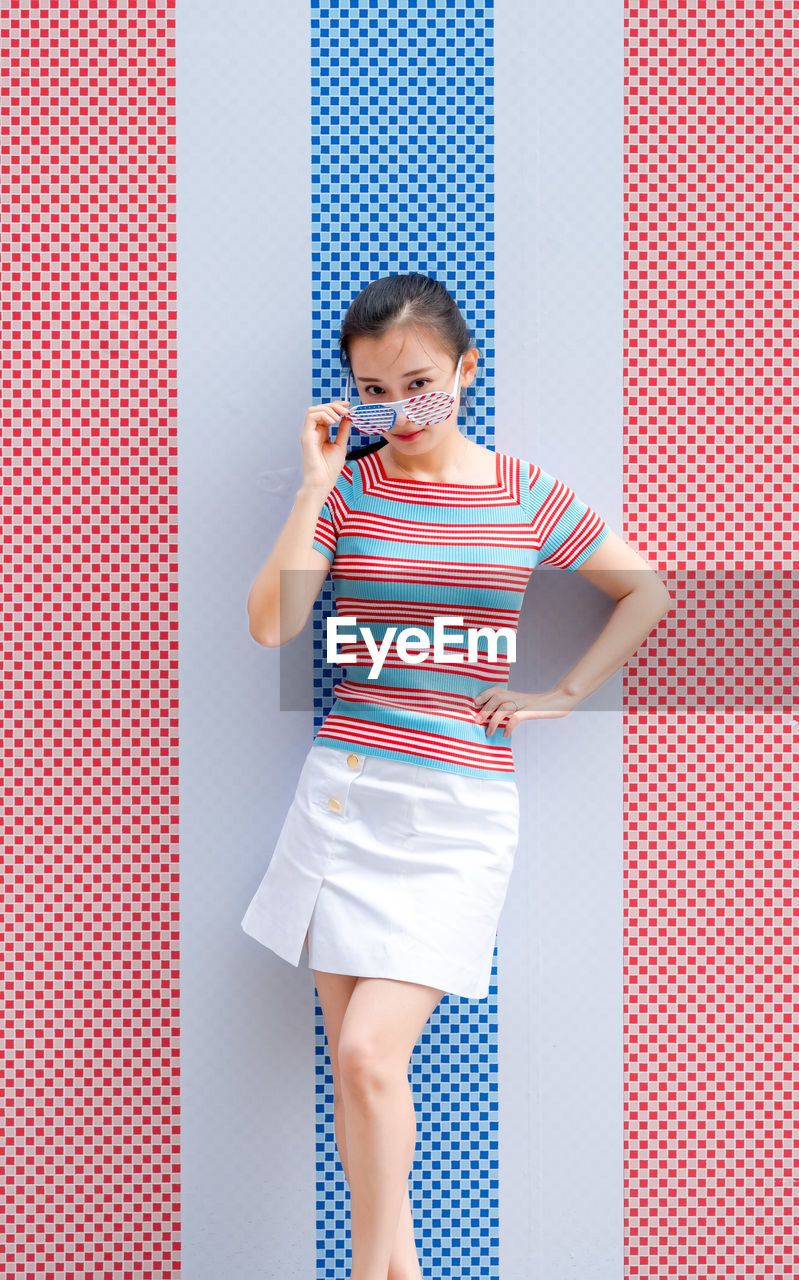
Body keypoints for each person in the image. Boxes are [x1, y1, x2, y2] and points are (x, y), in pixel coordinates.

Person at [242, 272, 671, 1280]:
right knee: (364, 1075)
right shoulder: (351, 486)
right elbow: (271, 624)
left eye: (420, 385)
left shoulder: (525, 495)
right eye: (374, 392)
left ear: (467, 370)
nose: (398, 412)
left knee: (366, 1057)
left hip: (458, 810)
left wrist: (562, 690)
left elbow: (644, 589)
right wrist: (312, 485)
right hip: (345, 794)